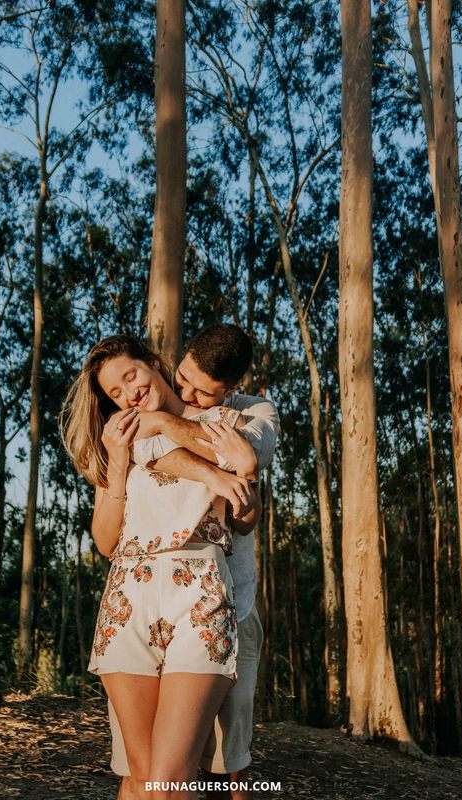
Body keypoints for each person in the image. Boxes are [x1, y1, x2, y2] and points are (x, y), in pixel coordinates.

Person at [61, 335, 260, 800]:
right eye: (115, 392)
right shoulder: (117, 439)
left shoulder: (221, 422)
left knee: (169, 782)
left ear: (154, 363)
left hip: (200, 595)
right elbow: (105, 541)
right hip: (128, 599)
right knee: (141, 776)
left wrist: (243, 474)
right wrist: (117, 463)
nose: (128, 394)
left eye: (130, 376)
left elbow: (246, 515)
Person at [108, 324, 278, 800]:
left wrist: (170, 427)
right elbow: (146, 448)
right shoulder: (154, 406)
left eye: (203, 392)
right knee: (146, 773)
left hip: (230, 607)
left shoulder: (255, 412)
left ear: (233, 387)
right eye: (183, 378)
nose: (186, 394)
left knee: (226, 770)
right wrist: (217, 460)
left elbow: (250, 460)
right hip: (147, 609)